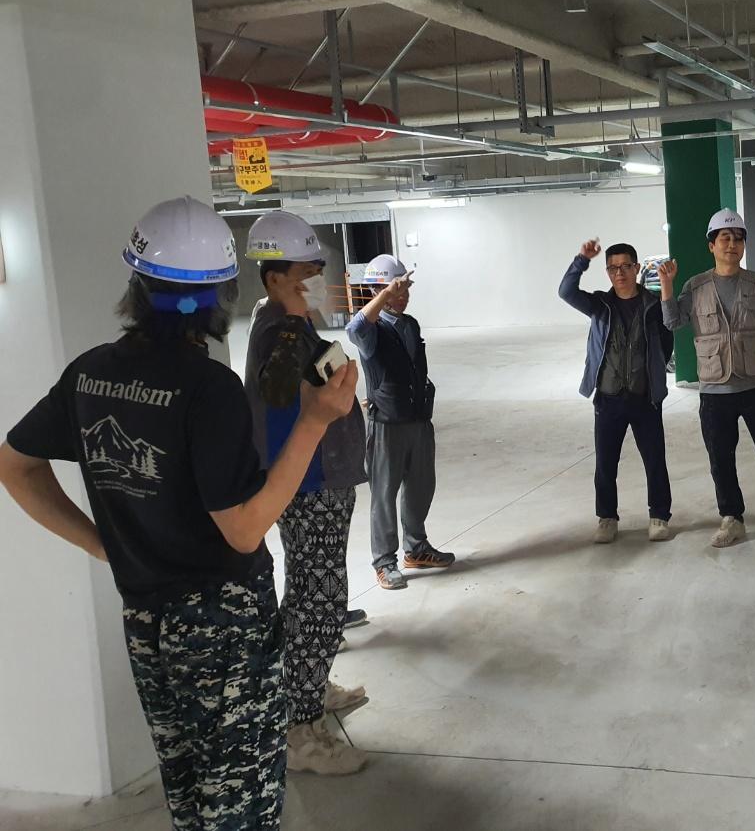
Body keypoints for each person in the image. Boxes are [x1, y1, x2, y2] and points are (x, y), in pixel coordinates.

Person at [0, 197, 358, 831]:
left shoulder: (89, 374)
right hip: (223, 626)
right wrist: (314, 421)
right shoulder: (206, 387)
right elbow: (243, 529)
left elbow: (15, 465)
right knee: (241, 802)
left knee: (189, 790)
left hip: (146, 618)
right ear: (220, 296)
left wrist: (102, 544)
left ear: (136, 288)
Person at [243, 210, 369, 774]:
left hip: (321, 479)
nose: (317, 278)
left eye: (319, 268)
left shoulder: (288, 324)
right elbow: (280, 388)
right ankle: (299, 731)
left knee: (311, 592)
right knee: (320, 600)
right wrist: (300, 324)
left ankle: (307, 688)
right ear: (276, 279)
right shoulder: (281, 330)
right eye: (306, 272)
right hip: (308, 483)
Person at [659, 209, 755, 549]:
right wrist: (666, 285)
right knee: (721, 459)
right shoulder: (695, 286)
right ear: (711, 245)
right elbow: (672, 322)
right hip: (714, 390)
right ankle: (731, 518)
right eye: (724, 238)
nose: (732, 244)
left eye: (738, 238)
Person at [558, 238, 676, 543]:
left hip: (645, 398)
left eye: (625, 266)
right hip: (608, 398)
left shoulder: (652, 305)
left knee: (654, 460)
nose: (619, 273)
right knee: (606, 463)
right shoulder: (600, 305)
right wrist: (582, 260)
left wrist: (652, 375)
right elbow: (566, 292)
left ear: (636, 268)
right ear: (608, 272)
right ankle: (607, 517)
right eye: (613, 268)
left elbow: (668, 338)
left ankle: (659, 515)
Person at [347, 253, 454, 590]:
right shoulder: (371, 330)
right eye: (397, 290)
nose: (403, 296)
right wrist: (385, 294)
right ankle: (384, 561)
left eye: (406, 289)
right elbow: (354, 328)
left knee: (421, 487)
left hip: (418, 418)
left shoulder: (410, 325)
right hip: (387, 424)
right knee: (384, 494)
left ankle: (416, 548)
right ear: (377, 291)